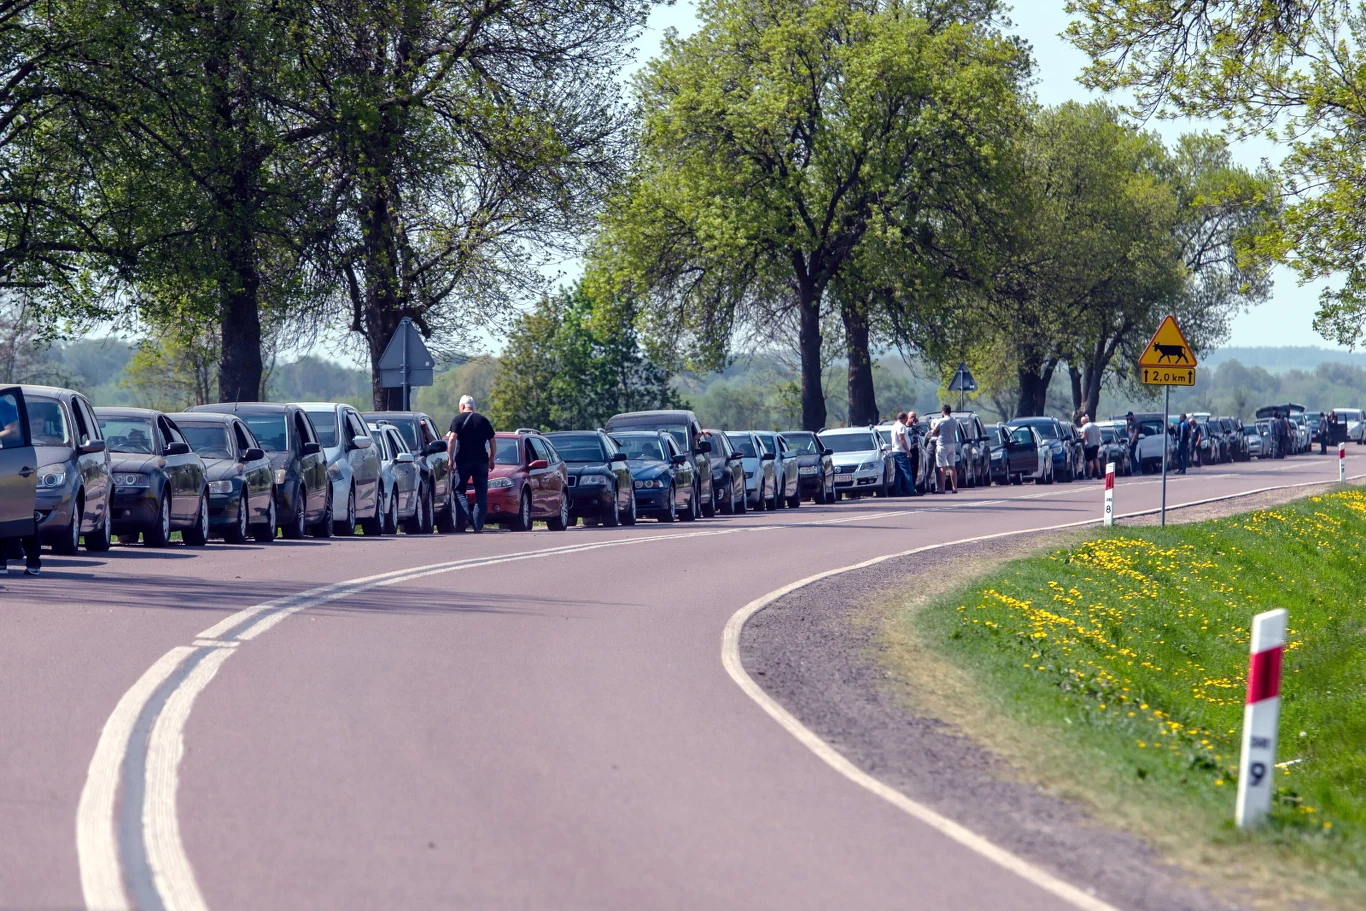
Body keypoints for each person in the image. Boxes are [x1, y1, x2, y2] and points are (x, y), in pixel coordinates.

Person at [446, 395, 497, 533]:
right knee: (481, 494)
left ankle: (466, 515)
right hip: (481, 461)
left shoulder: (458, 419)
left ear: (462, 406)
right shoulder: (483, 420)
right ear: (472, 406)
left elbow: (452, 439)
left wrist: (450, 458)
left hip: (463, 461)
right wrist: (492, 458)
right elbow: (492, 441)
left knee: (458, 490)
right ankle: (478, 526)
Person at [931, 404, 959, 494]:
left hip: (942, 445)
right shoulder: (954, 421)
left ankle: (942, 488)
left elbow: (934, 432)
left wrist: (933, 429)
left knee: (941, 467)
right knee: (952, 467)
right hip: (951, 444)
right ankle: (954, 487)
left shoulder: (941, 421)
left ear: (943, 412)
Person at [891, 412, 915, 496]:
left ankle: (898, 491)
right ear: (904, 418)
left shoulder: (894, 425)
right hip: (901, 452)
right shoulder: (901, 426)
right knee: (907, 472)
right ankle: (911, 490)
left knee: (899, 472)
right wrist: (908, 451)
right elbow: (901, 439)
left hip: (896, 451)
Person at [1080, 414, 1102, 480]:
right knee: (1095, 458)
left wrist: (1081, 440)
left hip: (1089, 445)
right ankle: (1099, 472)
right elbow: (1099, 435)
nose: (1081, 424)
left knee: (1090, 460)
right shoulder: (1095, 426)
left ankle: (1090, 475)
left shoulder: (1085, 427)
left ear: (1084, 422)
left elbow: (1084, 436)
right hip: (1096, 444)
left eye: (1082, 423)